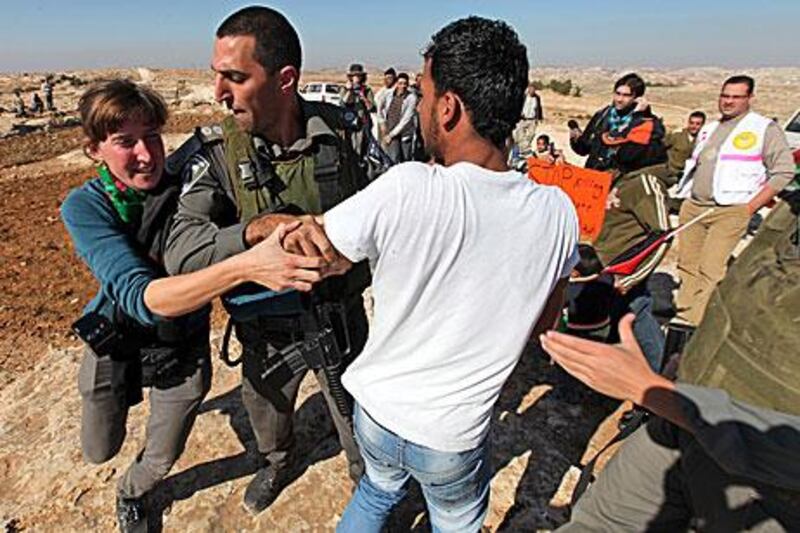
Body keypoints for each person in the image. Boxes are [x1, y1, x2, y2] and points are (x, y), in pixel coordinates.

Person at [314, 17, 579, 532]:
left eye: (424, 93)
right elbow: (543, 324)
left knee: (375, 491)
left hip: (377, 413)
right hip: (453, 436)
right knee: (455, 519)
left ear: (449, 108)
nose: (419, 106)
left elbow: (322, 253)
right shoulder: (558, 212)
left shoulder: (407, 188)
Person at [61, 79, 324, 532]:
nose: (145, 154)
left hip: (181, 349)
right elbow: (143, 299)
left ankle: (132, 493)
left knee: (160, 458)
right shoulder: (85, 206)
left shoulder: (192, 183)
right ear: (93, 150)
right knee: (98, 449)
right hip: (116, 342)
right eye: (124, 141)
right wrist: (246, 266)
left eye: (152, 136)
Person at [163, 6, 372, 515]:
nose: (218, 92)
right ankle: (279, 461)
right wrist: (253, 232)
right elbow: (180, 250)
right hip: (267, 333)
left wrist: (346, 250)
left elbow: (394, 213)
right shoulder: (215, 153)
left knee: (362, 431)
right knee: (268, 417)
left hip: (340, 321)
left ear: (285, 79)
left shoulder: (347, 137)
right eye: (217, 75)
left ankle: (367, 484)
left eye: (235, 77)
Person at [541, 190, 800, 532]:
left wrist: (651, 390)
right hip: (681, 421)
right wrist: (694, 361)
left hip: (767, 484)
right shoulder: (790, 210)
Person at [673, 75, 795, 328]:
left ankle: (695, 323)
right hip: (694, 207)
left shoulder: (763, 129)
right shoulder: (709, 128)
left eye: (736, 97)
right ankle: (684, 311)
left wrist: (750, 208)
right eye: (724, 95)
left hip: (730, 210)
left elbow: (784, 171)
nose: (728, 102)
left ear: (750, 98)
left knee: (711, 267)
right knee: (687, 264)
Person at [569, 73, 667, 175]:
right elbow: (584, 149)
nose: (619, 99)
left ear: (637, 98)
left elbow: (636, 156)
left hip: (624, 182)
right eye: (617, 93)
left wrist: (638, 116)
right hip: (594, 178)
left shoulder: (648, 124)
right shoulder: (602, 115)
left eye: (626, 95)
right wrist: (575, 139)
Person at [379, 72, 417, 163]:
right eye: (400, 83)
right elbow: (379, 107)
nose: (403, 86)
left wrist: (391, 135)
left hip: (404, 132)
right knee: (393, 159)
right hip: (390, 130)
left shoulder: (411, 98)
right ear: (396, 83)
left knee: (406, 159)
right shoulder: (388, 94)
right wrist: (382, 122)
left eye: (405, 84)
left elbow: (406, 120)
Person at [664, 110, 706, 183]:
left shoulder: (703, 140)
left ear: (702, 125)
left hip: (690, 178)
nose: (694, 126)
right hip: (671, 174)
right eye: (691, 123)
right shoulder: (677, 136)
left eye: (698, 124)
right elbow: (660, 148)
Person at [513, 83, 543, 154]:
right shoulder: (523, 97)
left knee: (531, 134)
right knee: (519, 133)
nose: (532, 91)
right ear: (528, 89)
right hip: (523, 119)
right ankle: (521, 149)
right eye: (530, 89)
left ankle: (524, 148)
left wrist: (539, 117)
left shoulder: (537, 98)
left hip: (532, 119)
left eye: (533, 89)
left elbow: (539, 107)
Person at [374, 67, 396, 135]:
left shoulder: (398, 91)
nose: (387, 80)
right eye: (386, 78)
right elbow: (377, 109)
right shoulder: (381, 93)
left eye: (389, 78)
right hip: (383, 124)